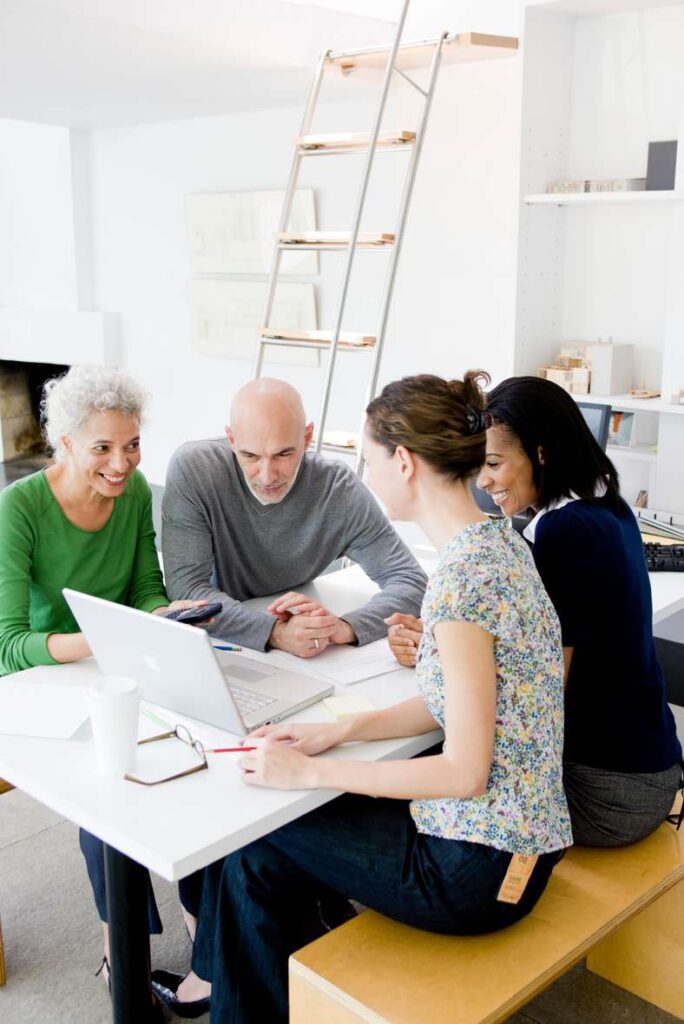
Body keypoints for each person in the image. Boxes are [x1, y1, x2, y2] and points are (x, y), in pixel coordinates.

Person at [158, 372, 572, 1023]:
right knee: (273, 837)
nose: (364, 474)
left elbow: (464, 771)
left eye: (371, 457)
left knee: (257, 842)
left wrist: (312, 770)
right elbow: (455, 703)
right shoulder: (495, 545)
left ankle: (246, 990)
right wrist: (338, 733)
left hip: (481, 870)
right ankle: (282, 983)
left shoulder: (463, 581)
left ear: (403, 463)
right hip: (517, 843)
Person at [0, 365, 207, 992]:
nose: (122, 463)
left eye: (133, 444)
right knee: (107, 798)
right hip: (48, 678)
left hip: (122, 668)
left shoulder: (137, 491)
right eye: (103, 448)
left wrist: (161, 619)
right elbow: (9, 645)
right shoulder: (21, 507)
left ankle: (208, 946)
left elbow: (147, 588)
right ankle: (125, 950)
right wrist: (103, 640)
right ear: (64, 442)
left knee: (202, 760)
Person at [473, 375, 683, 847]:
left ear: (542, 453)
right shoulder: (608, 506)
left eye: (492, 463)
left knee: (432, 782)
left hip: (610, 797)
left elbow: (546, 691)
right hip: (651, 772)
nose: (483, 481)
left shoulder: (564, 533)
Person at [161, 378, 427, 658]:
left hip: (286, 650)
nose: (267, 476)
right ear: (231, 440)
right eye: (250, 455)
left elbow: (410, 580)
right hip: (217, 646)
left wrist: (345, 626)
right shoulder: (196, 469)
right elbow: (186, 589)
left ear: (307, 437)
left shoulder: (338, 490)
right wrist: (275, 633)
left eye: (283, 454)